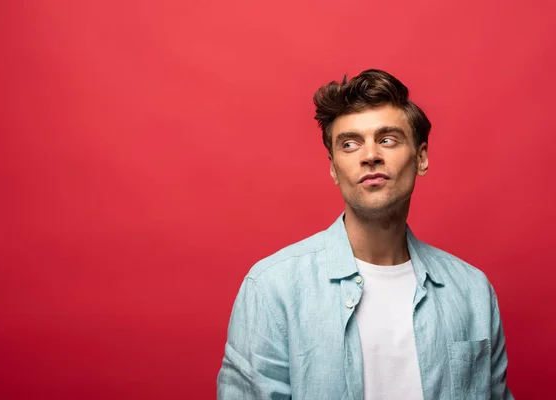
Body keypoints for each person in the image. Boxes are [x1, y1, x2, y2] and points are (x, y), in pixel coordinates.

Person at [216, 69, 513, 399]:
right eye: (350, 144)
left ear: (421, 157)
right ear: (333, 168)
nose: (370, 155)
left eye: (387, 139)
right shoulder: (273, 288)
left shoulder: (473, 291)